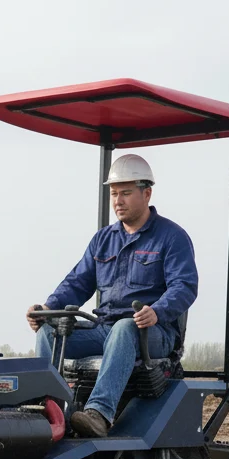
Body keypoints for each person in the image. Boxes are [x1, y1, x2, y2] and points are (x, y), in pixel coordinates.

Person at [27, 153, 198, 438]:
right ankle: (50, 411)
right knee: (49, 332)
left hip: (152, 332)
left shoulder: (172, 237)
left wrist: (157, 311)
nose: (118, 200)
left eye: (126, 193)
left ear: (147, 193)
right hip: (104, 329)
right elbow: (77, 282)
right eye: (114, 193)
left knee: (124, 327)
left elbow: (185, 286)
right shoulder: (103, 240)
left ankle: (99, 413)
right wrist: (48, 309)